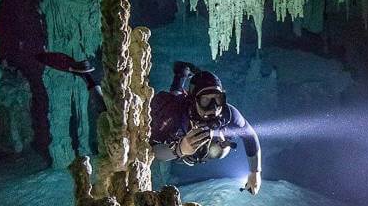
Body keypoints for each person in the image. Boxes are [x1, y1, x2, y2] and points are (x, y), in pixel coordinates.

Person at [36, 53, 262, 195]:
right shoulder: (170, 114)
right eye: (206, 100)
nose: (214, 107)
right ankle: (87, 76)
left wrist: (255, 172)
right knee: (113, 120)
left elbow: (250, 134)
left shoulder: (228, 113)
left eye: (218, 99)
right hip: (165, 121)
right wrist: (179, 149)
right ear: (194, 99)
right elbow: (149, 151)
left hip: (183, 119)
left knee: (215, 146)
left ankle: (181, 74)